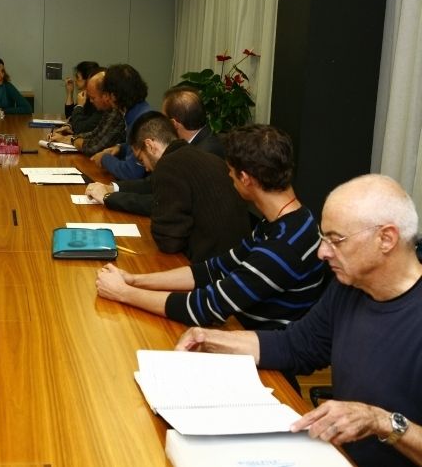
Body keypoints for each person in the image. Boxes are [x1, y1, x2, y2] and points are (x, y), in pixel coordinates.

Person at [175, 174, 422, 467]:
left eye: (335, 240)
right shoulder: (349, 288)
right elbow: (296, 345)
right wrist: (211, 339)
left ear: (386, 239)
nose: (322, 252)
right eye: (323, 238)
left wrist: (381, 421)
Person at [96, 124, 326, 330]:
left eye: (231, 171)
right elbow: (213, 269)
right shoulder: (286, 221)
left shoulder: (284, 245)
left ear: (245, 178)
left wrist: (124, 293)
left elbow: (204, 308)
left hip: (261, 357)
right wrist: (134, 280)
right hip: (243, 332)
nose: (228, 176)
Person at [108, 111, 249, 261]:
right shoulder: (205, 157)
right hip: (236, 258)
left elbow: (168, 241)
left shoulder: (168, 165)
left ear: (150, 145)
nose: (146, 168)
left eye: (141, 160)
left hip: (210, 266)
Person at [85, 85, 224, 216]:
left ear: (174, 124)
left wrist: (108, 197)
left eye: (163, 117)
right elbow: (154, 183)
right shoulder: (192, 144)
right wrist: (113, 188)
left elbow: (162, 202)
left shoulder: (205, 153)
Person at [90, 64, 151, 180]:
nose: (106, 99)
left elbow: (131, 172)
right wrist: (120, 148)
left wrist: (104, 158)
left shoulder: (142, 122)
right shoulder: (139, 111)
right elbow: (134, 149)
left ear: (113, 95)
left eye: (106, 94)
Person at [47, 69, 126, 156]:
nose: (91, 101)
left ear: (106, 95)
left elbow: (94, 146)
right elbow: (94, 133)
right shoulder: (109, 109)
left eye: (93, 97)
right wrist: (68, 137)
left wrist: (72, 140)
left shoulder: (116, 112)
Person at [63, 60, 101, 133]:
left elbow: (80, 128)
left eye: (77, 77)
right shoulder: (84, 95)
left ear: (88, 79)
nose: (75, 80)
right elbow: (70, 116)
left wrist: (79, 106)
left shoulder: (97, 101)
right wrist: (70, 93)